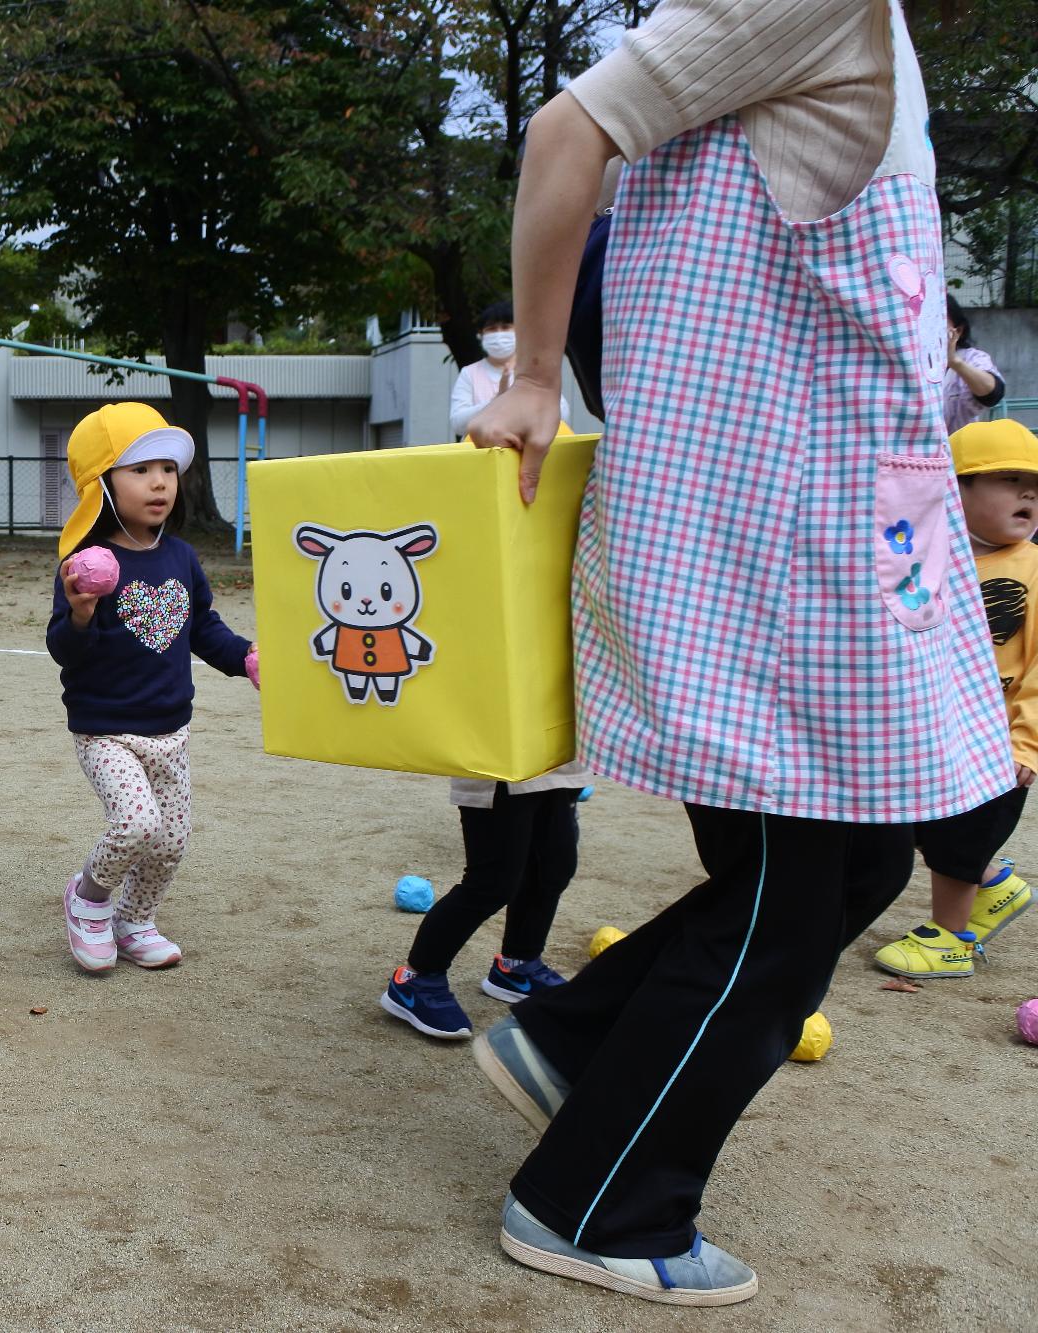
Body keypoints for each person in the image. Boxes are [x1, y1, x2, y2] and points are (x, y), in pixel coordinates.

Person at [465, 0, 1008, 1306]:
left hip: (828, 523)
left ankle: (577, 1044)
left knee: (865, 853)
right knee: (786, 896)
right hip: (767, 536)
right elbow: (564, 131)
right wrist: (533, 372)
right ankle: (596, 1202)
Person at [48, 404, 256, 972]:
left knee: (169, 842)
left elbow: (203, 628)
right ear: (103, 486)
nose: (160, 481)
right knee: (136, 823)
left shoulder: (181, 557)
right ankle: (89, 901)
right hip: (105, 730)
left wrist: (247, 658)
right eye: (140, 469)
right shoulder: (85, 563)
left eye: (167, 467)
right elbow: (64, 650)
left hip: (170, 730)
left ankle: (135, 920)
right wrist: (81, 614)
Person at [874, 418, 1038, 979]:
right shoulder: (935, 564)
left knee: (957, 840)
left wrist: (1027, 742)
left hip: (995, 744)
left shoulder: (1033, 570)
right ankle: (995, 888)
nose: (1028, 493)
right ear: (953, 488)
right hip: (939, 729)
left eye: (1035, 484)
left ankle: (951, 940)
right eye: (1008, 478)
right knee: (922, 824)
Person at [381, 761, 588, 1040]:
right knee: (492, 882)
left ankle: (517, 966)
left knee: (552, 867)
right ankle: (417, 979)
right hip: (497, 759)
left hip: (555, 757)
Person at [448, 301, 571, 441]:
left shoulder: (534, 369)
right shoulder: (469, 373)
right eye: (492, 329)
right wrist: (495, 401)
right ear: (481, 334)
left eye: (506, 327)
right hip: (483, 455)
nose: (499, 334)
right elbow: (457, 423)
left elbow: (562, 413)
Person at [944, 296, 1009, 435]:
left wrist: (955, 362)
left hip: (959, 450)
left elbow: (993, 394)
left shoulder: (971, 358)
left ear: (958, 331)